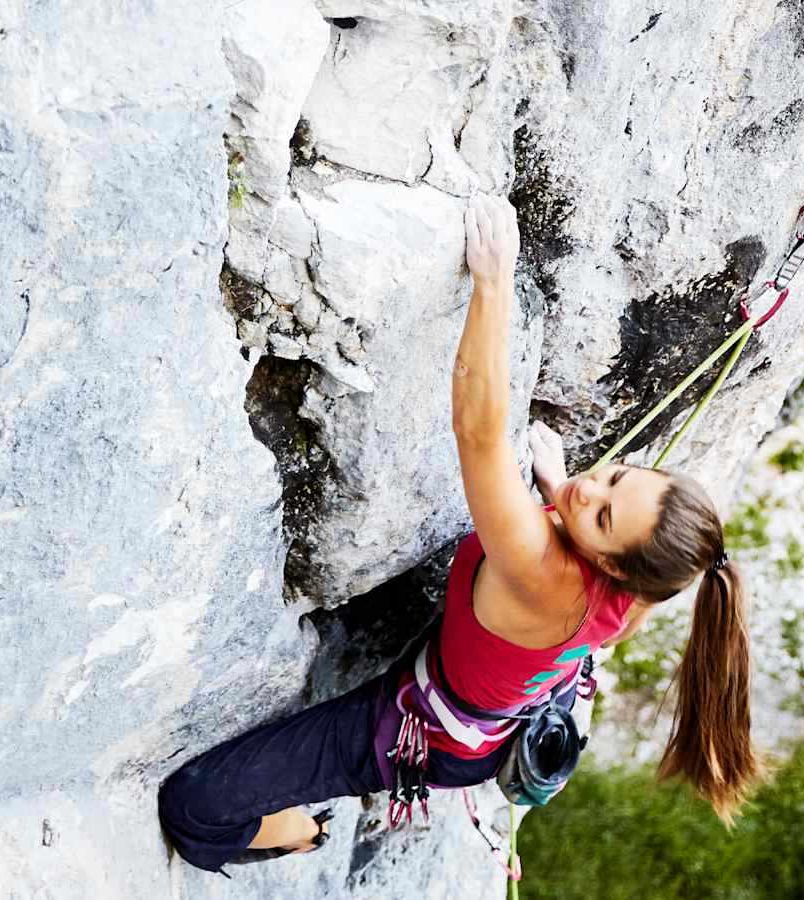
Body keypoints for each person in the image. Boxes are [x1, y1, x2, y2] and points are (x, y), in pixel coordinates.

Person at [157, 194, 757, 874]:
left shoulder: (538, 568)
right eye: (618, 476)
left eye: (601, 516)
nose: (593, 488)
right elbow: (592, 513)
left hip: (425, 734)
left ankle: (303, 834)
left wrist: (494, 281)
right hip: (490, 686)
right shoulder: (646, 587)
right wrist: (563, 487)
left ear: (615, 569)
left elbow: (478, 431)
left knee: (195, 805)